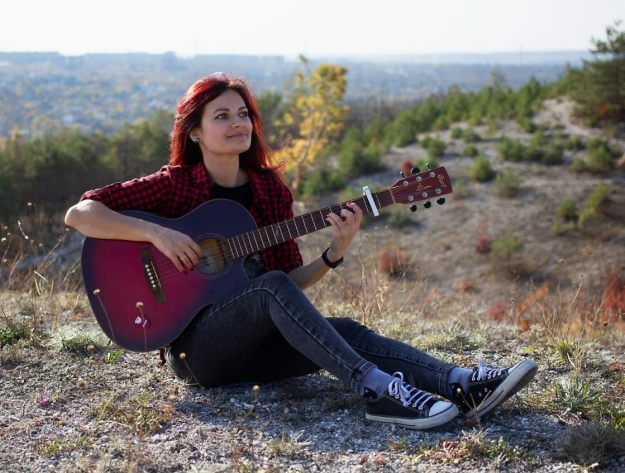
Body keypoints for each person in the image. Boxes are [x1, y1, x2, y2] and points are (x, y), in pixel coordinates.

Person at [64, 72, 537, 430]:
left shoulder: (270, 191)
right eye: (221, 116)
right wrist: (157, 235)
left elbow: (287, 286)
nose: (237, 122)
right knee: (269, 287)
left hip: (257, 351)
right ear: (195, 132)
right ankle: (375, 391)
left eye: (243, 114)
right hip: (198, 355)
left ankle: (459, 382)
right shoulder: (175, 184)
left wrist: (334, 252)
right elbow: (81, 214)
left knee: (343, 328)